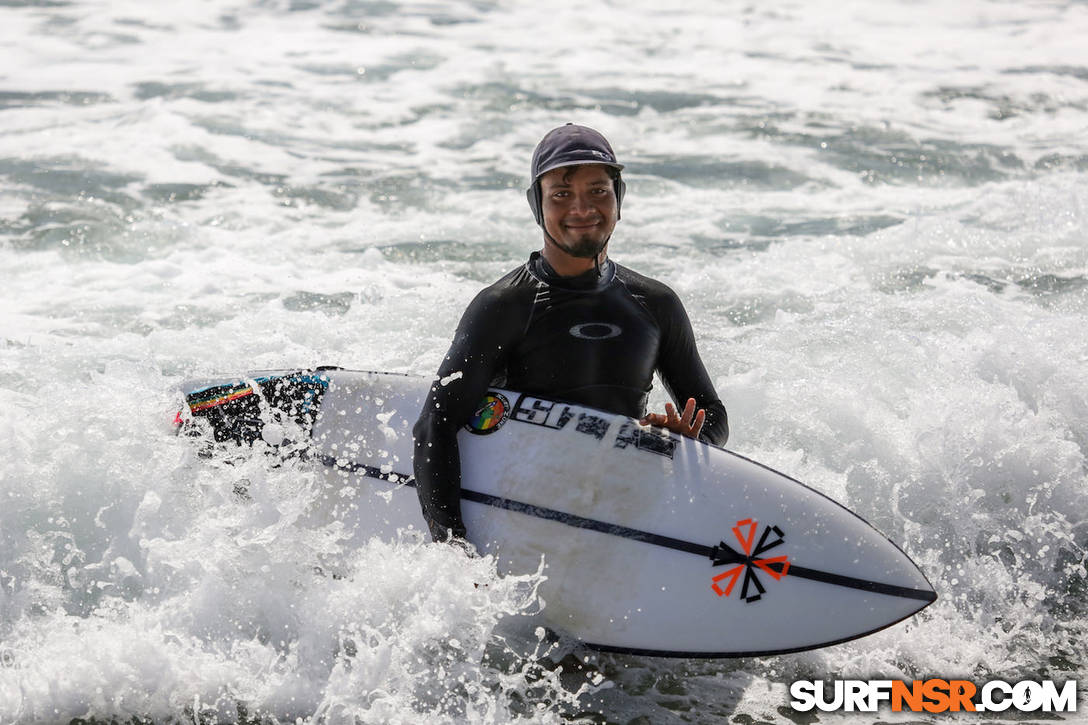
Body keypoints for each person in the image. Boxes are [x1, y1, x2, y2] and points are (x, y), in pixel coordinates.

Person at [412, 123, 728, 543]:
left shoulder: (656, 304)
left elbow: (713, 413)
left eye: (598, 191)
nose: (582, 208)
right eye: (561, 194)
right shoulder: (503, 306)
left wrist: (683, 443)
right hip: (519, 507)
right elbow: (435, 425)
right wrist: (452, 547)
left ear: (619, 198)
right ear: (536, 205)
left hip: (620, 508)